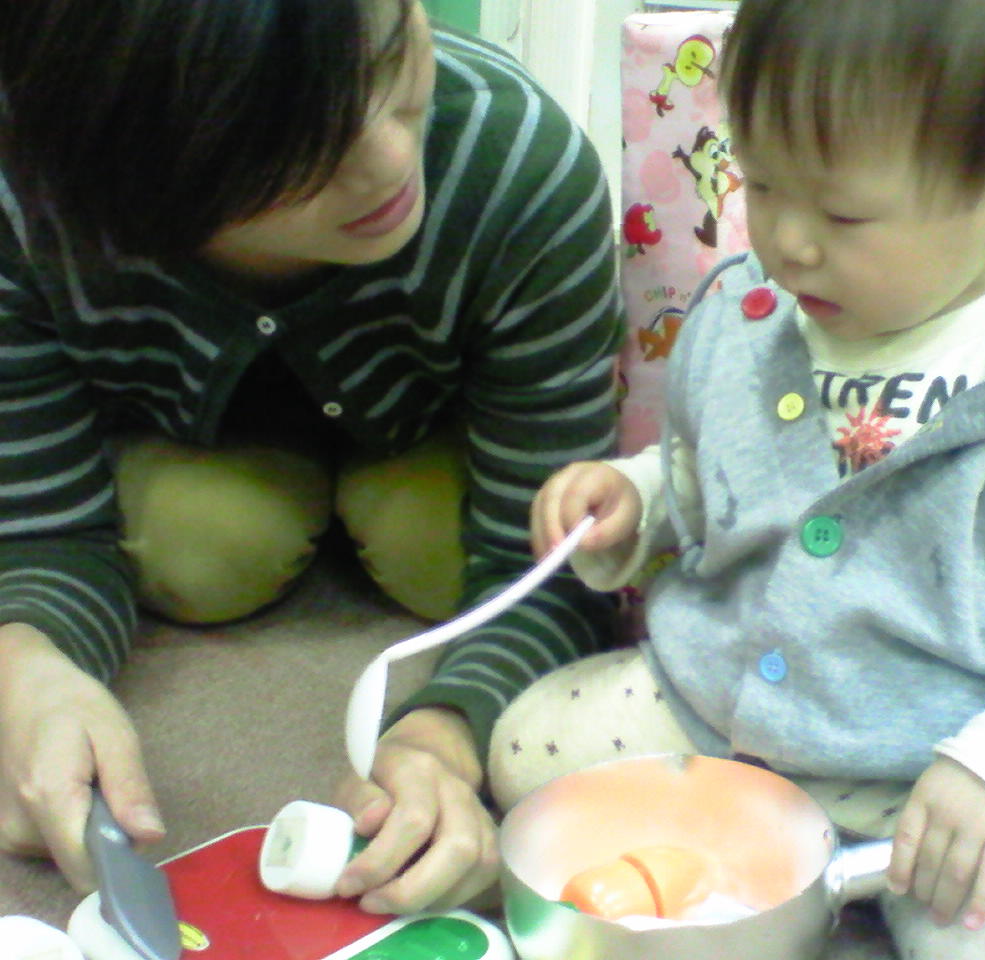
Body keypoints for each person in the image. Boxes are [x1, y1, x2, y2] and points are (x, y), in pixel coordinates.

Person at [517, 0, 985, 956]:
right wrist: (639, 500)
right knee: (525, 755)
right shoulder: (746, 312)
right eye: (762, 184)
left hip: (942, 775)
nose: (789, 242)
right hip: (723, 713)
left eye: (842, 213)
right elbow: (711, 482)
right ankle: (782, 859)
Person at [0, 0, 622, 914]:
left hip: (429, 422)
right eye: (295, 149)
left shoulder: (516, 165)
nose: (390, 159)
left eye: (391, 53)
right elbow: (41, 531)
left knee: (432, 544)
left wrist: (446, 738)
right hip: (191, 437)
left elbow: (552, 570)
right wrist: (27, 668)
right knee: (207, 547)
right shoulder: (34, 206)